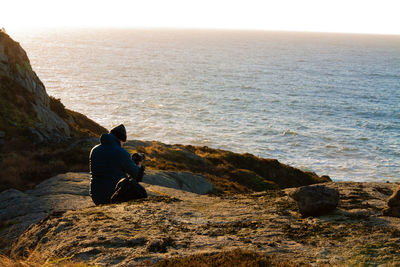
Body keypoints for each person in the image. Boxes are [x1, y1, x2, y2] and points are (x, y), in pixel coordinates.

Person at [89, 124, 146, 205]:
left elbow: (110, 167)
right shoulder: (122, 153)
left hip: (96, 196)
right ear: (121, 139)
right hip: (113, 197)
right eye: (123, 142)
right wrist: (138, 165)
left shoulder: (94, 150)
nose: (123, 145)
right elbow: (137, 176)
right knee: (139, 191)